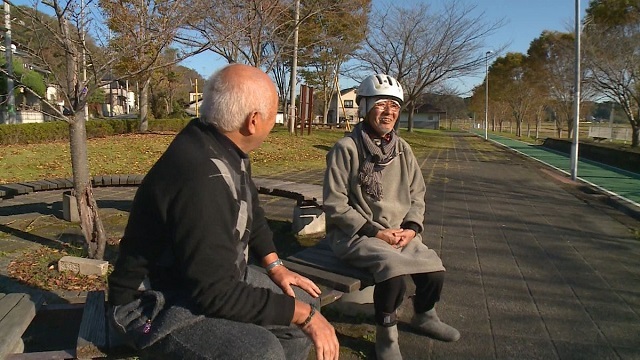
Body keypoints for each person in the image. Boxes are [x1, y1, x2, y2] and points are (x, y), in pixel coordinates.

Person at [108, 64, 339, 360]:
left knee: (304, 301)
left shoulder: (222, 145)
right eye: (274, 114)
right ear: (253, 121)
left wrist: (275, 266)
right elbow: (215, 294)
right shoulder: (201, 175)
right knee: (261, 350)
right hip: (150, 305)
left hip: (203, 282)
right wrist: (304, 316)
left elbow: (251, 212)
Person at [323, 74, 460, 359]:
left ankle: (424, 316)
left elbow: (417, 193)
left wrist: (411, 228)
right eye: (381, 104)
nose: (389, 112)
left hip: (399, 232)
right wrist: (377, 232)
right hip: (357, 235)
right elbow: (335, 204)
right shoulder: (346, 149)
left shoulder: (402, 148)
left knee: (434, 271)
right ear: (364, 107)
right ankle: (386, 336)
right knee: (394, 276)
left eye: (395, 106)